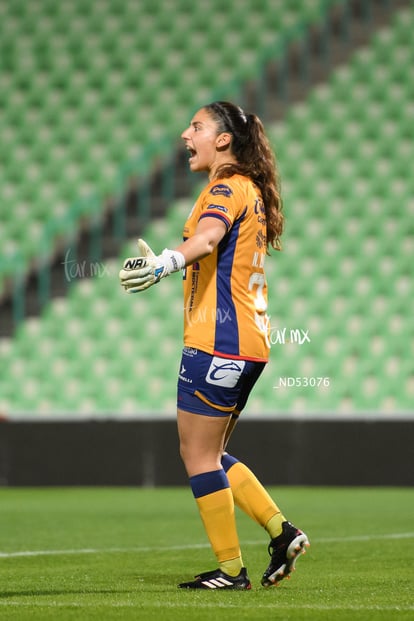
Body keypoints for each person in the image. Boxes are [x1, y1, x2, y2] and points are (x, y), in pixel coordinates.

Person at [119, 101, 309, 590]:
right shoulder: (249, 190)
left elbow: (206, 240)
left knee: (198, 455)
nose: (186, 134)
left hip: (218, 342)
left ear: (223, 140)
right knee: (212, 451)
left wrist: (163, 263)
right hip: (246, 343)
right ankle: (280, 532)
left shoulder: (226, 189)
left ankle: (230, 570)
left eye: (197, 126)